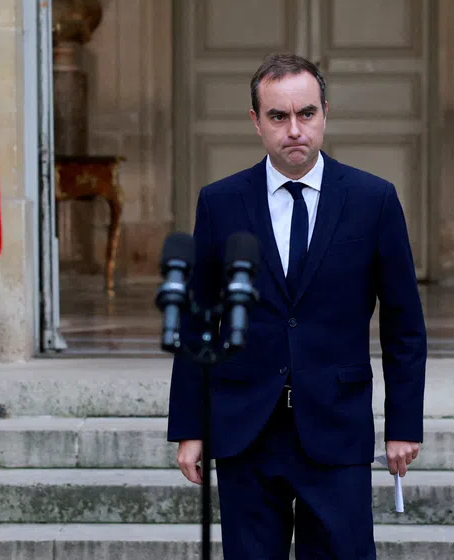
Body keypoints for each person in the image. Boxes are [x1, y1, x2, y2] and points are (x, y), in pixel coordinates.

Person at [166, 52, 428, 559]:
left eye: (306, 114)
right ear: (256, 122)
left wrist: (403, 425)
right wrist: (190, 427)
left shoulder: (373, 200)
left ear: (325, 113)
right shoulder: (221, 202)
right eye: (278, 117)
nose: (294, 130)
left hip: (336, 425)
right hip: (248, 429)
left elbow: (404, 325)